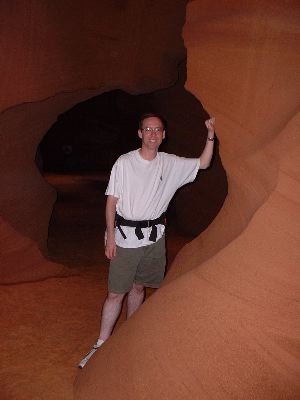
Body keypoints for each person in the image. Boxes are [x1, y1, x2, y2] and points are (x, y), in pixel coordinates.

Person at [78, 112, 215, 368]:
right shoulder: (125, 163)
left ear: (164, 135)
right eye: (148, 129)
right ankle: (101, 344)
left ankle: (131, 337)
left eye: (158, 130)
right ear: (140, 134)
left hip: (154, 239)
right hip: (126, 239)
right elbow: (111, 202)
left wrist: (210, 134)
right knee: (115, 293)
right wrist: (110, 236)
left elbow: (204, 163)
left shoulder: (170, 163)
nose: (153, 134)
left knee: (140, 288)